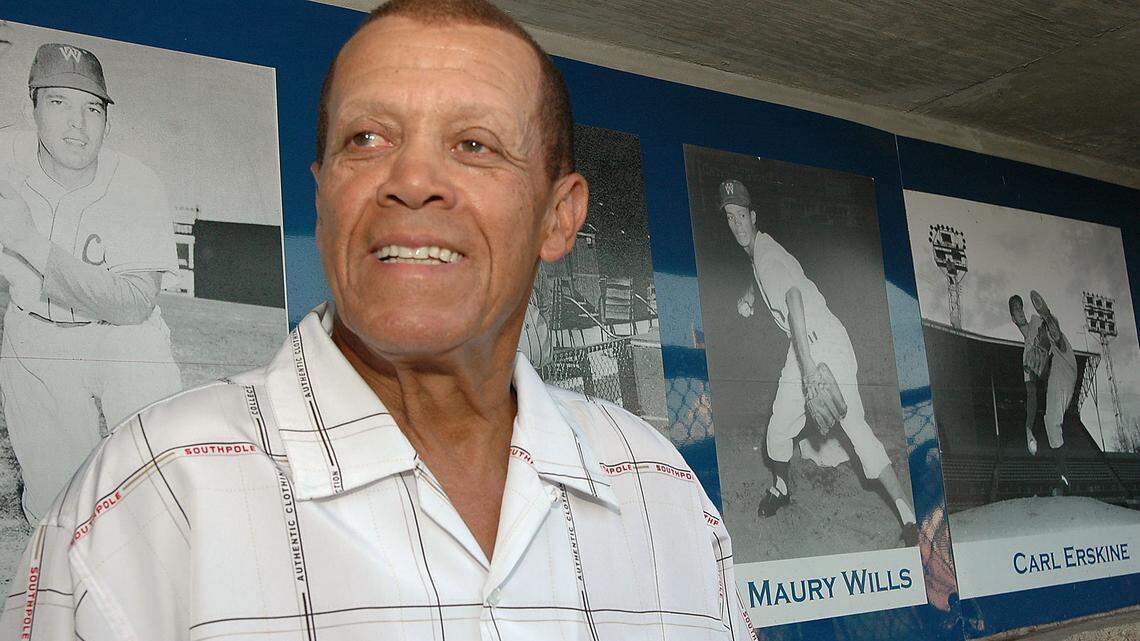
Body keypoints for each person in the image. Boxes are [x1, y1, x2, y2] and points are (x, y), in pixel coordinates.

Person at [0, 2, 754, 639]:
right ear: (325, 200)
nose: (414, 180)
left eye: (474, 144)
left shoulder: (661, 488)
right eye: (367, 139)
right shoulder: (153, 493)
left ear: (559, 218)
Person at [0, 42, 182, 522]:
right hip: (34, 335)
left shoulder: (137, 185)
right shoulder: (4, 159)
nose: (76, 124)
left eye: (92, 109)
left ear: (107, 121)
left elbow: (134, 303)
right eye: (58, 103)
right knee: (59, 509)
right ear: (31, 107)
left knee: (161, 479)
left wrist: (27, 240)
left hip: (123, 338)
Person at [721, 178, 918, 546]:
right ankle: (781, 488)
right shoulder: (761, 253)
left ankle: (907, 517)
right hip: (804, 346)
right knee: (779, 427)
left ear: (753, 215)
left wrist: (809, 369)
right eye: (730, 217)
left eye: (742, 216)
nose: (737, 225)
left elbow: (793, 297)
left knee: (855, 429)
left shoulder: (766, 256)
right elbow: (762, 278)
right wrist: (748, 297)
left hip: (821, 344)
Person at [1031, 291, 1077, 494]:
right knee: (1051, 422)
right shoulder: (1053, 353)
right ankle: (1065, 476)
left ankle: (1065, 476)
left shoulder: (1055, 336)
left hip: (1065, 378)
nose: (1041, 336)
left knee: (1051, 421)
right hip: (1064, 381)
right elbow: (1043, 376)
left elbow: (1054, 331)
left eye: (1041, 333)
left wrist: (1045, 313)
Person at [1009, 292, 1050, 456]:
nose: (1020, 312)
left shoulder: (1034, 320)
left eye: (1020, 308)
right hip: (1038, 370)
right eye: (1015, 311)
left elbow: (1049, 328)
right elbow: (1031, 395)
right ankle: (1028, 431)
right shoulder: (1025, 355)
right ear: (1013, 319)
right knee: (1032, 392)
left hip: (1050, 361)